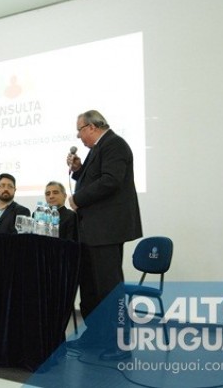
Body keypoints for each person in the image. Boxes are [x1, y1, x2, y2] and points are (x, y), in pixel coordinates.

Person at [66, 110, 142, 361]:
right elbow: (94, 179)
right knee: (90, 289)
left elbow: (110, 181)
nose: (78, 137)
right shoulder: (98, 148)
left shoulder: (114, 144)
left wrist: (78, 198)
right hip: (92, 231)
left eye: (79, 130)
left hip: (106, 231)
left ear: (91, 127)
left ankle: (121, 343)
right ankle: (96, 336)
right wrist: (79, 170)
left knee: (110, 290)